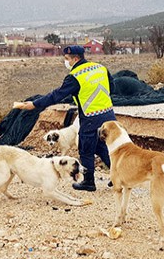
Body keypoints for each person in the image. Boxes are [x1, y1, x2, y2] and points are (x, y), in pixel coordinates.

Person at [15, 45, 116, 191]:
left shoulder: (75, 76)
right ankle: (116, 176)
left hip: (90, 117)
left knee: (85, 149)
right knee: (101, 147)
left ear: (75, 58)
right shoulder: (100, 68)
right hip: (109, 114)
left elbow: (56, 95)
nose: (66, 62)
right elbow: (112, 88)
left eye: (67, 59)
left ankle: (88, 182)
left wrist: (34, 104)